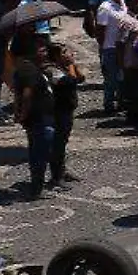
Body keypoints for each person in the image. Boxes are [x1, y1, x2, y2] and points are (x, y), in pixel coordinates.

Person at [11, 34, 54, 200]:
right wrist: (22, 114)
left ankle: (37, 186)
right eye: (41, 49)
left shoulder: (30, 68)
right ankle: (37, 188)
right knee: (39, 154)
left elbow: (18, 93)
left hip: (38, 118)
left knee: (38, 152)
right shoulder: (29, 70)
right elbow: (26, 95)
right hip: (39, 119)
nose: (45, 52)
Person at [46, 41, 84, 185]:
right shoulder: (52, 70)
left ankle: (62, 170)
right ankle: (57, 176)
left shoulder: (64, 67)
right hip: (58, 111)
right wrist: (71, 66)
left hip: (68, 110)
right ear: (56, 56)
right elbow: (70, 81)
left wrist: (72, 65)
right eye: (64, 53)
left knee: (63, 142)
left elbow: (81, 78)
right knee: (58, 143)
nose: (69, 54)